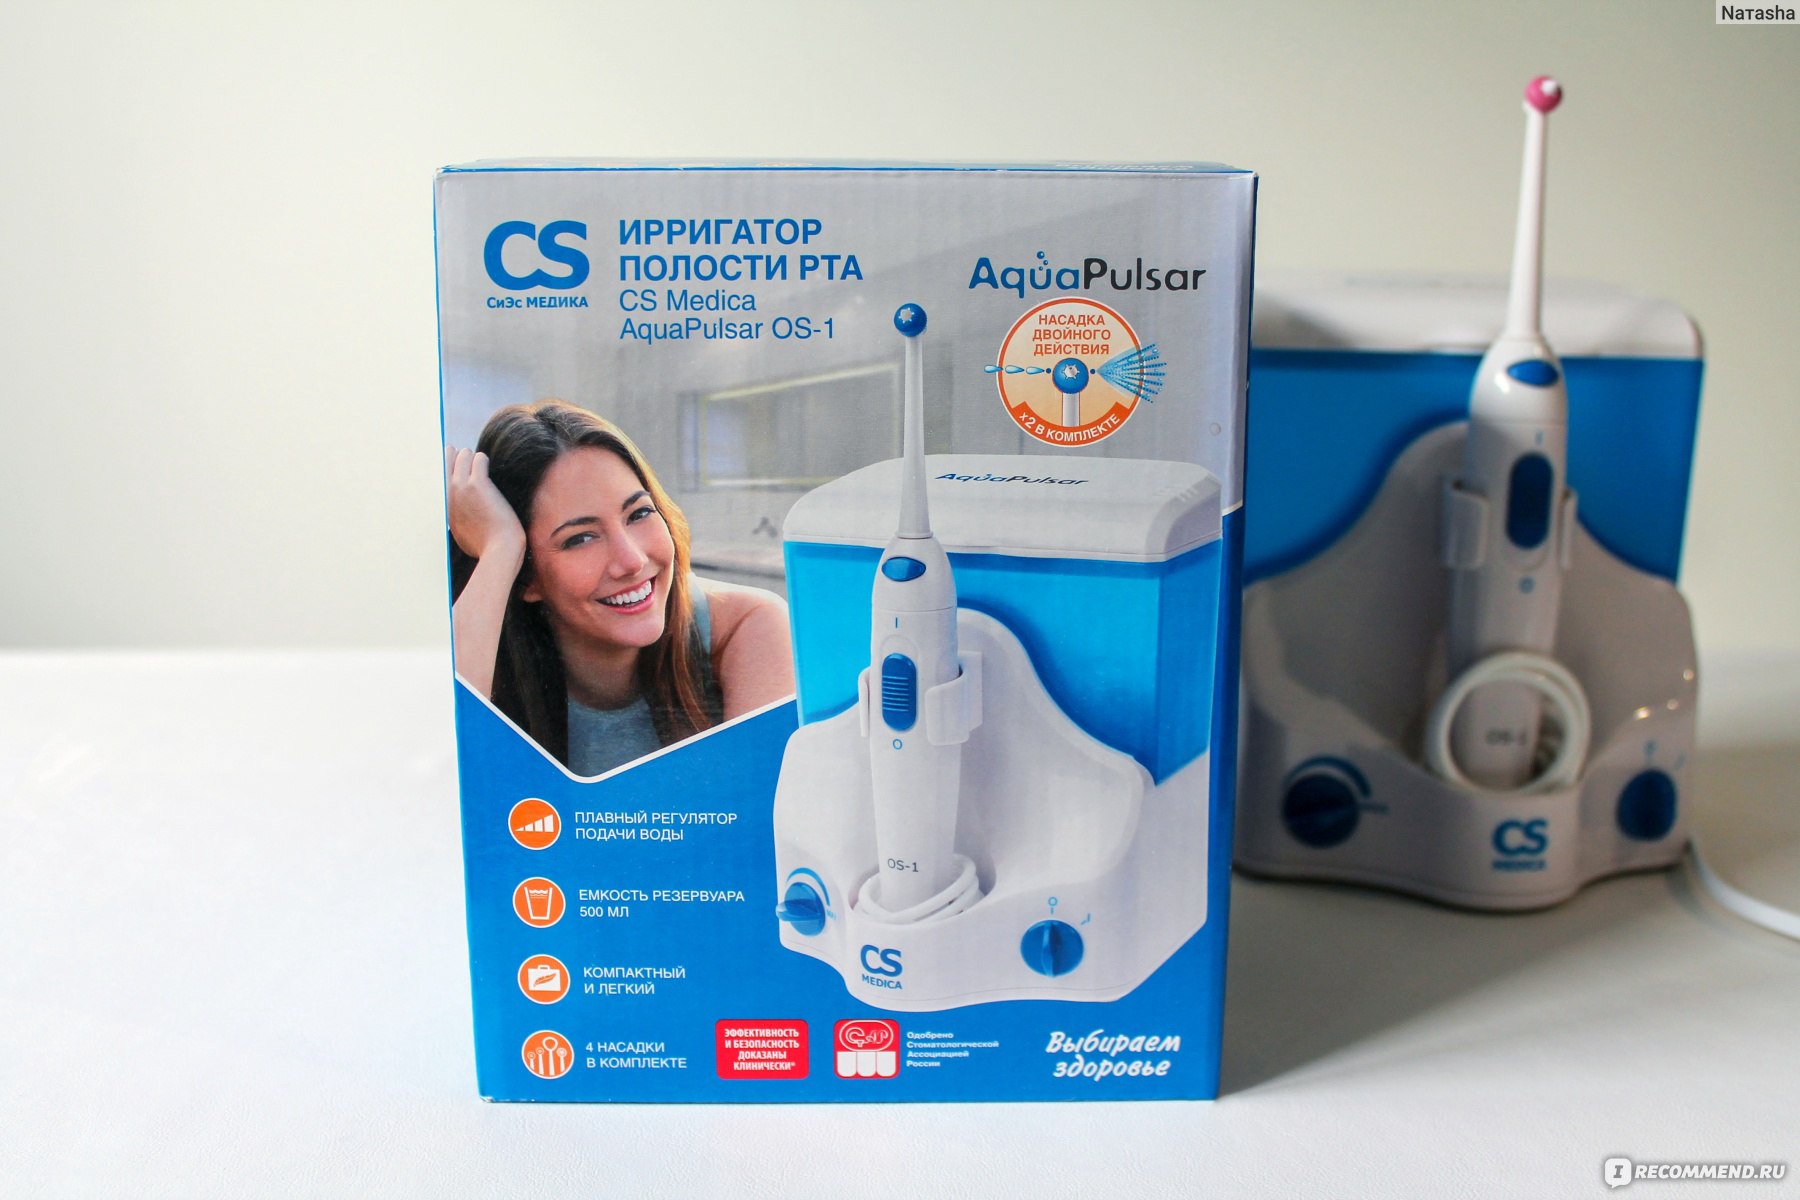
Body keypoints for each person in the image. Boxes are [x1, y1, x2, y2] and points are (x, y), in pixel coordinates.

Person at [444, 401, 793, 775]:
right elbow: (438, 768)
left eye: (639, 513)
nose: (632, 560)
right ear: (525, 577)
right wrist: (499, 548)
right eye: (581, 538)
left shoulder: (750, 625)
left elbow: (759, 804)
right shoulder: (483, 659)